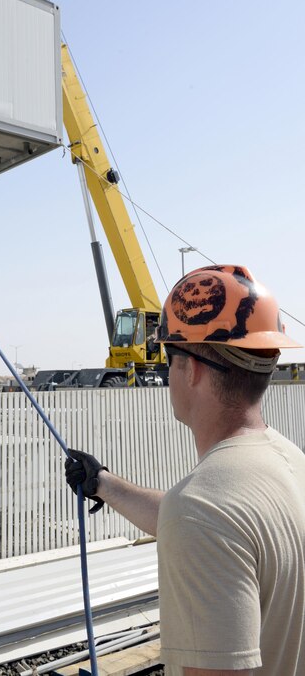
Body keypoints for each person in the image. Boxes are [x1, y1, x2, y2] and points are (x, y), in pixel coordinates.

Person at [65, 265, 305, 676]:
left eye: (169, 355)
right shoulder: (288, 460)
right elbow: (221, 528)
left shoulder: (201, 513)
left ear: (191, 369)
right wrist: (103, 483)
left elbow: (203, 522)